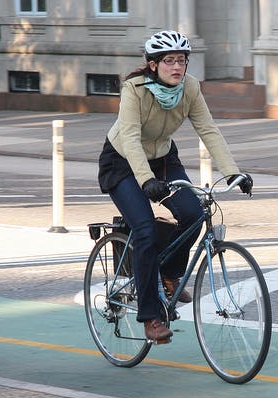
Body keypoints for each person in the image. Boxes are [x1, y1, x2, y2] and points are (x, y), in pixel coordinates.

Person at [98, 30, 253, 342]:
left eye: (181, 60)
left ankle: (168, 274)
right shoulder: (135, 89)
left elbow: (207, 129)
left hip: (164, 159)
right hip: (123, 162)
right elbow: (129, 137)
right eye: (168, 60)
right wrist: (146, 181)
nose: (176, 67)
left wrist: (233, 172)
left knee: (194, 213)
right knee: (144, 229)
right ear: (154, 65)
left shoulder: (190, 88)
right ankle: (150, 316)